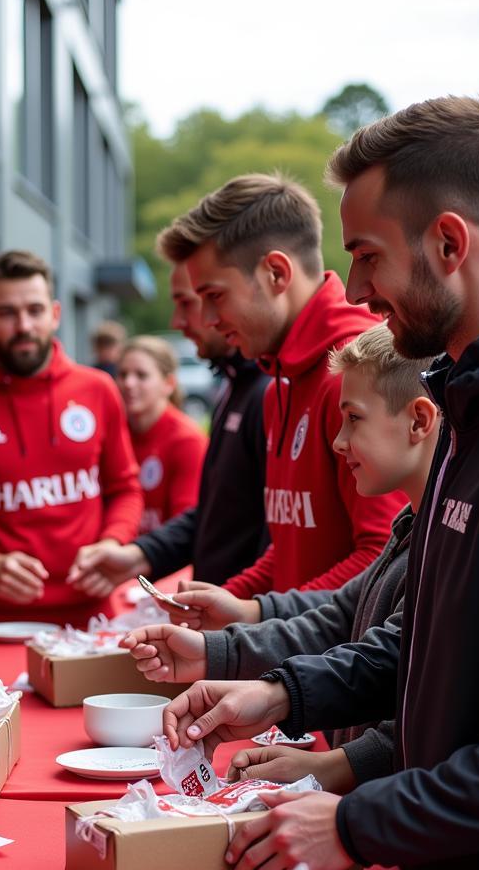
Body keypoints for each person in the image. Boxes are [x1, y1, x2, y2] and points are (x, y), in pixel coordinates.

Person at [155, 97, 479, 870]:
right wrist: (280, 691)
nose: (355, 291)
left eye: (367, 256)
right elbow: (423, 634)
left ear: (448, 243)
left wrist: (356, 818)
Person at [121, 321, 439, 795]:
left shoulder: (446, 537)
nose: (339, 441)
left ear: (418, 421)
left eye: (354, 419)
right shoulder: (412, 526)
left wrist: (334, 755)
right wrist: (221, 647)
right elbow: (340, 616)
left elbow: (401, 674)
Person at [153, 175, 404, 624]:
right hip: (296, 663)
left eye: (214, 296)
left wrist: (257, 616)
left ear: (275, 273)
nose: (208, 319)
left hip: (339, 674)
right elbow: (290, 546)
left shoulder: (355, 376)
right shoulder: (278, 384)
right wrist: (225, 600)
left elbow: (384, 560)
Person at [0, 249, 142, 630]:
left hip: (94, 618)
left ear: (55, 314)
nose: (24, 325)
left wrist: (113, 542)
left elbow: (126, 489)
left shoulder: (98, 390)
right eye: (6, 313)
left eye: (35, 310)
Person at [67, 260, 269, 591]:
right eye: (123, 375)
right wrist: (135, 554)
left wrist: (246, 607)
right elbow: (210, 519)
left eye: (188, 302)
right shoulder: (234, 387)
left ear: (168, 383)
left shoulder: (191, 434)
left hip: (192, 599)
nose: (178, 321)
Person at [117, 335, 208, 534]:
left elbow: (186, 526)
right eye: (123, 375)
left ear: (169, 383)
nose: (129, 383)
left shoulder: (187, 441)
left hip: (164, 560)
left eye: (141, 375)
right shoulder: (115, 433)